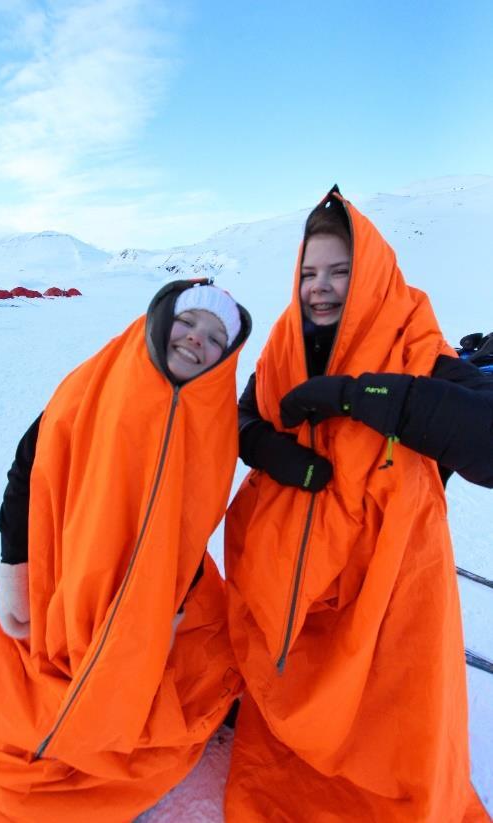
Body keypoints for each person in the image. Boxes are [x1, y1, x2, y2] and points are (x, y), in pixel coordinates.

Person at [224, 187, 492, 821]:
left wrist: (356, 394)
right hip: (290, 570)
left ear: (368, 272)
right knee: (286, 704)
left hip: (390, 575)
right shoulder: (284, 342)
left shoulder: (412, 341)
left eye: (339, 271)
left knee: (392, 726)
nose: (320, 287)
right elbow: (242, 418)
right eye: (309, 272)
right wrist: (275, 453)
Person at [0, 279, 251, 822]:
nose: (196, 339)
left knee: (208, 653)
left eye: (215, 337)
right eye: (188, 323)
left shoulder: (214, 429)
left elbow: (192, 529)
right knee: (55, 697)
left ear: (226, 357)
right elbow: (30, 468)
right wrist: (14, 567)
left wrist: (174, 607)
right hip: (67, 577)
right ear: (161, 320)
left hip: (149, 589)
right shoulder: (94, 386)